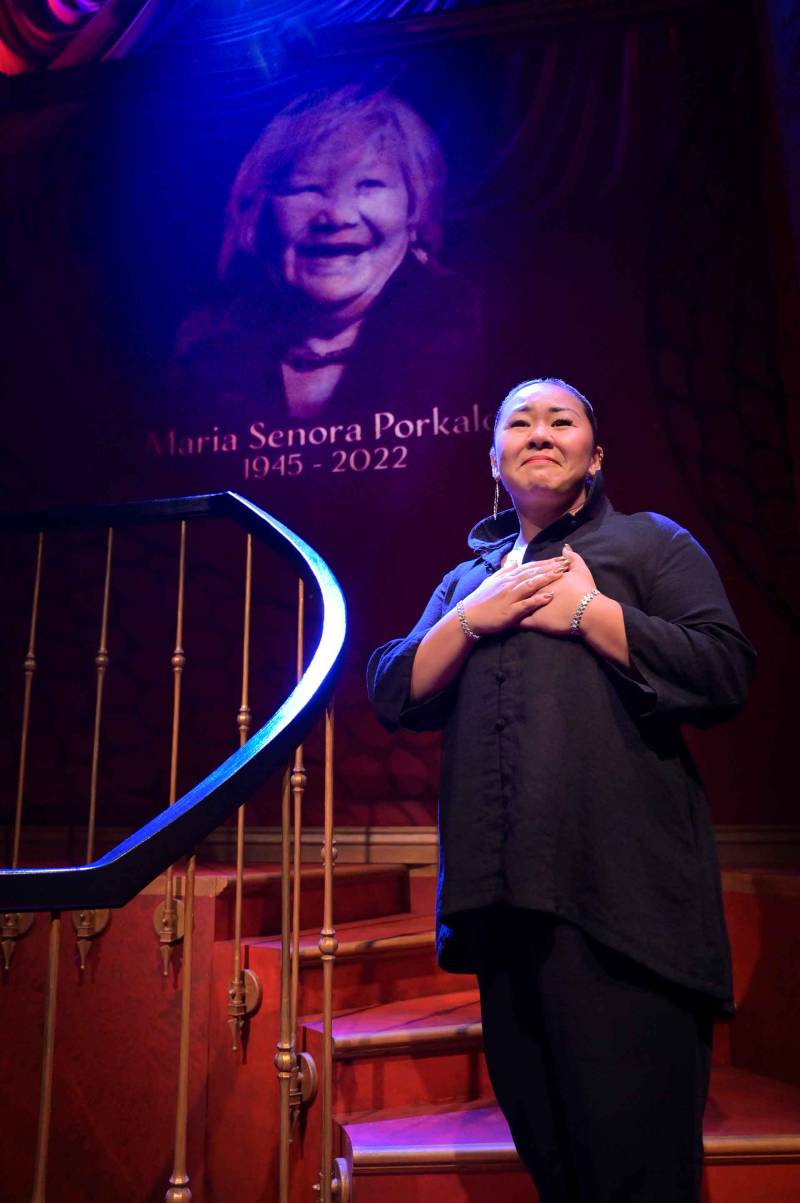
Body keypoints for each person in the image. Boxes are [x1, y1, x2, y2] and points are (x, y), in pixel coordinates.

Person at [367, 377, 755, 1203]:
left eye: (562, 420)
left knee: (636, 1178)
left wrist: (587, 611)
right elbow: (394, 689)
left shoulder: (649, 545)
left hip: (626, 914)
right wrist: (475, 617)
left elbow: (725, 671)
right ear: (494, 459)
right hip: (503, 910)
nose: (540, 432)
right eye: (520, 422)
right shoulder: (467, 577)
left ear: (596, 453)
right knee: (562, 1175)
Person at [172, 84, 483, 423]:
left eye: (369, 185)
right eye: (307, 187)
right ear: (259, 211)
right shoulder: (199, 352)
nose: (337, 216)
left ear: (415, 206)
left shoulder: (478, 338)